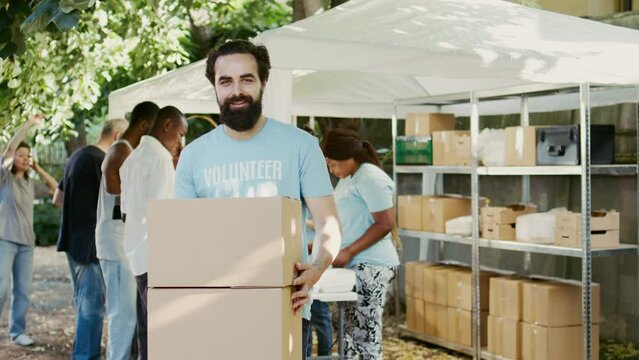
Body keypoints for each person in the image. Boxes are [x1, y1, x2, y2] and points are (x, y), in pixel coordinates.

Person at [174, 40, 341, 360]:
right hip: (214, 312)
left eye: (246, 79)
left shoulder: (301, 146)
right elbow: (183, 237)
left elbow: (328, 224)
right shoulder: (194, 155)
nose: (236, 90)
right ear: (215, 87)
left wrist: (316, 269)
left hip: (284, 308)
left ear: (264, 82)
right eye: (226, 81)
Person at [54, 118, 129, 360]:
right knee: (92, 308)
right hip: (90, 246)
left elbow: (58, 199)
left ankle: (83, 353)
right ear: (117, 135)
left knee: (85, 305)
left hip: (73, 242)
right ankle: (85, 356)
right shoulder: (101, 161)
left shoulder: (77, 156)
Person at [321, 128, 399, 360]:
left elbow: (384, 224)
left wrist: (348, 251)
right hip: (354, 265)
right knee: (350, 332)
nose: (332, 170)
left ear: (348, 157)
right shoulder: (349, 178)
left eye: (333, 164)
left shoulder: (370, 178)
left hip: (372, 264)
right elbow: (348, 220)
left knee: (365, 335)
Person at [120, 106, 188, 360]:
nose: (180, 143)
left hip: (136, 252)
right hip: (156, 256)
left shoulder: (132, 158)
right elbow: (163, 214)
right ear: (167, 125)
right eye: (180, 134)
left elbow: (126, 211)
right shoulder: (160, 159)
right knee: (162, 331)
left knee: (146, 329)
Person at [96, 102, 159, 360]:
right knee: (122, 317)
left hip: (124, 244)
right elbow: (122, 201)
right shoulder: (121, 152)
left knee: (129, 316)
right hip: (115, 243)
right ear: (144, 126)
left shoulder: (129, 151)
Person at [0, 114, 57, 346]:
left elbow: (55, 189)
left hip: (27, 244)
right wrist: (28, 125)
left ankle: (17, 332)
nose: (24, 158)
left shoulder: (29, 183)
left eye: (28, 156)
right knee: (0, 288)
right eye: (20, 156)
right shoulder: (5, 179)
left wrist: (38, 167)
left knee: (22, 290)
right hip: (5, 240)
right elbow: (9, 150)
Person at [301, 124, 334, 358]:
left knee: (320, 314)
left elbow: (327, 222)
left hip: (313, 257)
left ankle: (323, 353)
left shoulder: (316, 175)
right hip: (303, 256)